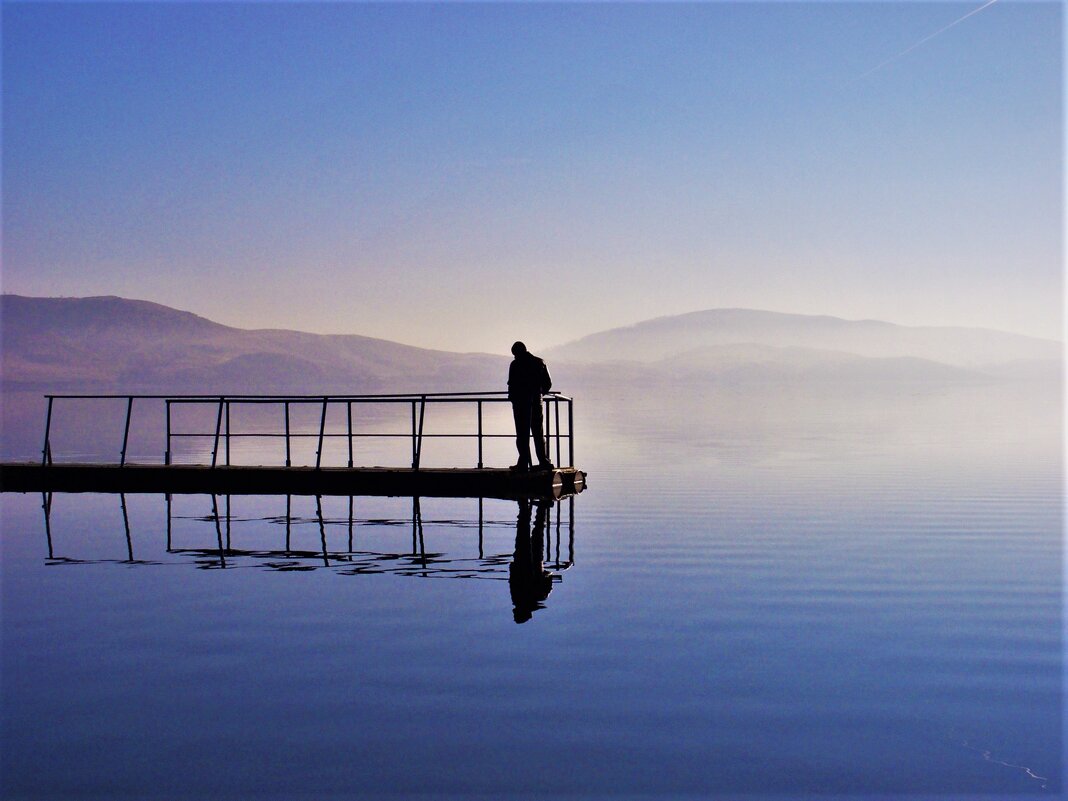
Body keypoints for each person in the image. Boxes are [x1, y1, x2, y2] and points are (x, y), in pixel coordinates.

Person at [507, 341, 553, 471]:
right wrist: (538, 394)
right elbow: (548, 383)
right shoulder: (540, 362)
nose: (514, 357)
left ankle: (523, 463)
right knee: (538, 433)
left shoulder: (515, 365)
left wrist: (513, 399)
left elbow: (511, 385)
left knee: (522, 434)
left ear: (517, 352)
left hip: (521, 404)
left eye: (515, 354)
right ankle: (544, 461)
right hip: (536, 403)